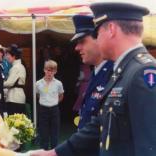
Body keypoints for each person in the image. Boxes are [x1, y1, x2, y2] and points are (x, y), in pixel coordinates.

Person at [31, 2, 156, 156]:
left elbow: (150, 147)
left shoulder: (143, 72)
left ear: (111, 30)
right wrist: (55, 153)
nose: (97, 38)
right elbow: (101, 122)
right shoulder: (124, 69)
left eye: (97, 32)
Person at [70, 15, 113, 130]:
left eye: (82, 41)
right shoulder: (96, 72)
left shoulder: (114, 74)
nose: (77, 48)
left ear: (99, 38)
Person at [36, 60, 64, 150]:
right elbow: (37, 95)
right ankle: (43, 151)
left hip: (54, 109)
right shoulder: (38, 83)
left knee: (54, 132)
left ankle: (54, 151)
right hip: (43, 109)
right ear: (44, 70)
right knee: (43, 132)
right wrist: (45, 101)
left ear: (55, 71)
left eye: (52, 71)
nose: (49, 73)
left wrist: (54, 102)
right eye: (48, 70)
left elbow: (61, 95)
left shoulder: (58, 83)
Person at [4, 45, 26, 115]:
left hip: (14, 98)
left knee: (14, 123)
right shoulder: (20, 66)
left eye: (8, 55)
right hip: (18, 97)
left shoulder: (16, 67)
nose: (6, 57)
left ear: (13, 56)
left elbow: (9, 83)